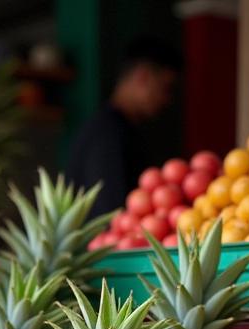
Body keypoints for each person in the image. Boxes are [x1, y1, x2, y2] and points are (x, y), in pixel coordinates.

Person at [66, 36, 182, 217]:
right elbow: (111, 215)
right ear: (143, 77)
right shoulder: (109, 134)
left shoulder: (114, 128)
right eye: (166, 88)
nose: (167, 100)